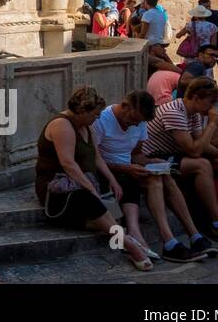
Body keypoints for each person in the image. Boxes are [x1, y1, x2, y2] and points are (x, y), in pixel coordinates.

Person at [36, 86, 154, 271]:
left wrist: (112, 180)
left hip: (82, 180)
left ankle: (124, 233)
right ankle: (130, 245)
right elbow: (68, 164)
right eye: (95, 115)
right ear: (83, 111)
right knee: (88, 198)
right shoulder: (62, 125)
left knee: (125, 183)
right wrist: (91, 188)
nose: (97, 119)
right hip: (58, 186)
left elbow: (96, 157)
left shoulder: (87, 126)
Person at [91, 91, 211, 262]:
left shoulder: (139, 123)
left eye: (138, 122)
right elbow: (94, 159)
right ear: (125, 106)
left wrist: (152, 162)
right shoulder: (101, 120)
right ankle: (169, 241)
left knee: (166, 176)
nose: (134, 124)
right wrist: (125, 168)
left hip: (129, 168)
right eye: (132, 119)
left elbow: (136, 154)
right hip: (109, 171)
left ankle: (194, 235)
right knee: (154, 181)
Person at [143, 77, 218, 243]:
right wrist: (213, 123)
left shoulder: (192, 112)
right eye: (210, 102)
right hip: (153, 157)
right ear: (196, 98)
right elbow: (194, 151)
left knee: (215, 161)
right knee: (202, 165)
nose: (212, 107)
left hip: (171, 153)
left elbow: (201, 142)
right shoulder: (174, 112)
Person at [138, 0, 173, 71]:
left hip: (151, 46)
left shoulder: (147, 14)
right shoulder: (161, 14)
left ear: (146, 1)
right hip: (159, 44)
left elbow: (143, 33)